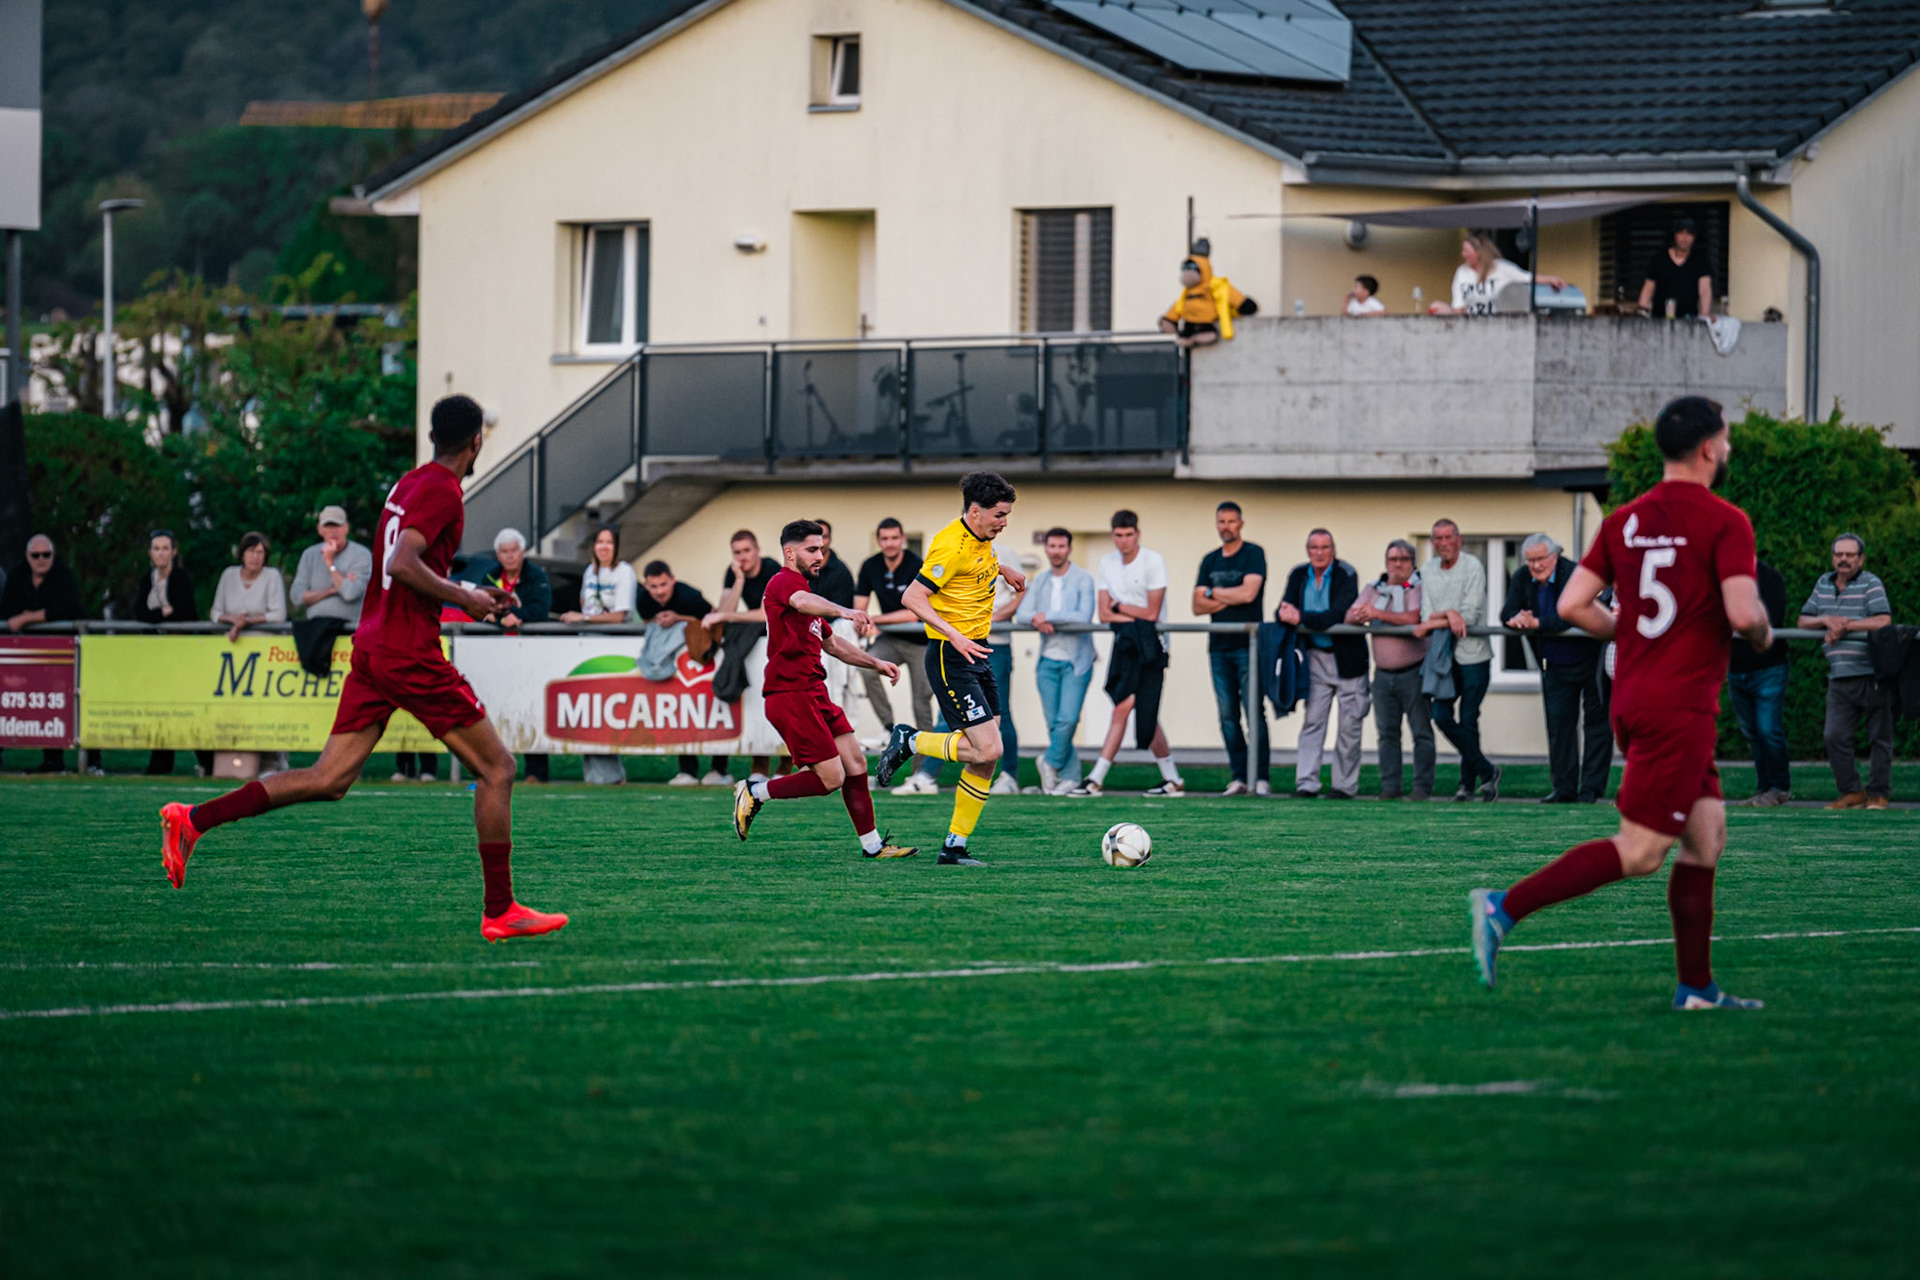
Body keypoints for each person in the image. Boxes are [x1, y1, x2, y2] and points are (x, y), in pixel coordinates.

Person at [159, 394, 569, 942]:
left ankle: (192, 820)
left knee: (329, 779)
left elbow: (404, 560)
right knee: (498, 769)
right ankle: (500, 909)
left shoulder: (408, 482)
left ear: (431, 437)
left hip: (373, 645)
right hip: (407, 652)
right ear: (476, 442)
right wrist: (463, 599)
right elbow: (403, 564)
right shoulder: (445, 490)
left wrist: (467, 592)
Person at [1470, 394, 1772, 1010]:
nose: (1729, 448)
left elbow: (1571, 606)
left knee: (1705, 836)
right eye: (1727, 439)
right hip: (1678, 706)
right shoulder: (1725, 521)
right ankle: (1504, 907)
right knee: (1640, 852)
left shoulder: (1625, 521)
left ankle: (1696, 989)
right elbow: (1744, 614)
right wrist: (1765, 632)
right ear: (1710, 447)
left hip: (1634, 696)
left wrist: (1630, 630)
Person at [729, 520, 917, 860]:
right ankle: (755, 791)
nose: (820, 556)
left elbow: (833, 645)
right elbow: (802, 602)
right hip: (790, 694)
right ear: (790, 552)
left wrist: (875, 663)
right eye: (812, 549)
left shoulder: (805, 594)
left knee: (857, 764)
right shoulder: (785, 583)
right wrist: (846, 609)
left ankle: (873, 846)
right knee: (831, 779)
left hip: (814, 692)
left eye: (822, 549)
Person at [873, 471, 1027, 865]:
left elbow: (976, 567)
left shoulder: (981, 539)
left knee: (987, 757)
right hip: (950, 655)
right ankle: (910, 741)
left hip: (978, 652)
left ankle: (954, 846)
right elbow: (913, 596)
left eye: (1007, 514)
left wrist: (1002, 570)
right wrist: (953, 635)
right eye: (999, 515)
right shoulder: (951, 546)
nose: (1004, 521)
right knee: (987, 747)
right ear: (975, 512)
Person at [1070, 510, 1182, 798]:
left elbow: (1152, 613)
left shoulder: (1153, 561)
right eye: (1118, 535)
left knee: (1136, 708)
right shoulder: (1108, 562)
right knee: (1131, 707)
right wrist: (1128, 613)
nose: (1123, 540)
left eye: (1128, 534)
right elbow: (1104, 612)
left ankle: (1096, 779)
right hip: (1125, 643)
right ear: (1113, 536)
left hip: (1152, 644)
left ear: (1137, 534)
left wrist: (1121, 608)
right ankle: (1172, 779)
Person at [1502, 533, 1611, 803]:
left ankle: (1590, 789)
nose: (1536, 566)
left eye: (1540, 559)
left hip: (1589, 660)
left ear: (1555, 555)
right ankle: (1563, 788)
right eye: (1530, 561)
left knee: (1597, 726)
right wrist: (1517, 619)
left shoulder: (1574, 573)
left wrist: (1537, 623)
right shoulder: (1521, 577)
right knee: (1559, 727)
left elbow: (1573, 613)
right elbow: (1506, 612)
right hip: (1552, 664)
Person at [1798, 533, 1894, 810]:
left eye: (1850, 555)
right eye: (1839, 554)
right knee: (1833, 736)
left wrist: (1845, 626)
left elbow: (1883, 620)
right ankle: (1852, 792)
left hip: (1872, 673)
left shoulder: (1870, 583)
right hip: (1839, 676)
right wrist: (1825, 619)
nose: (1843, 559)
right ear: (1832, 558)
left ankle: (1878, 795)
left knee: (1880, 738)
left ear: (1860, 559)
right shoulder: (1823, 583)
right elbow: (1803, 621)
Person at [1279, 530, 1369, 800]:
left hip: (1348, 659)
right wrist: (1294, 616)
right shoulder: (1298, 574)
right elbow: (1283, 611)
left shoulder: (1346, 574)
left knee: (1349, 726)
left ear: (1333, 549)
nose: (1319, 552)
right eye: (1314, 547)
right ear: (1308, 550)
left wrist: (1301, 617)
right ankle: (1306, 783)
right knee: (1313, 722)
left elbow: (1338, 614)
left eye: (1324, 547)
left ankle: (1344, 786)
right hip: (1315, 656)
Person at [459, 527, 553, 783]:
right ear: (498, 555)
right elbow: (475, 605)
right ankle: (490, 769)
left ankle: (536, 771)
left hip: (530, 654)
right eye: (504, 551)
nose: (510, 556)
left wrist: (519, 617)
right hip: (496, 655)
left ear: (522, 552)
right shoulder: (489, 577)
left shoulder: (536, 576)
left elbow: (541, 608)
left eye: (514, 550)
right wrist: (488, 615)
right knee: (494, 710)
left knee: (532, 709)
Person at [1416, 519, 1499, 801]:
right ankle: (1487, 771)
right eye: (1437, 538)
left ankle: (1466, 785)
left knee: (1468, 719)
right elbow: (1426, 614)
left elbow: (1471, 615)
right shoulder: (1427, 569)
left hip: (1474, 655)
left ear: (1458, 539)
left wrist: (1449, 614)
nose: (1442, 543)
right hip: (1442, 656)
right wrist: (1450, 614)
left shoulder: (1472, 566)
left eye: (1447, 537)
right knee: (1440, 715)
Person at [1193, 502, 1269, 795]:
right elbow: (1197, 605)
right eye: (1221, 521)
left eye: (1231, 521)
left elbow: (1250, 594)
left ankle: (1260, 777)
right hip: (1218, 648)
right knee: (1227, 716)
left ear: (1241, 523)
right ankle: (1239, 776)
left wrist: (1212, 593)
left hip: (1248, 647)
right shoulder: (1210, 560)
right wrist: (1229, 596)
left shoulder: (1253, 554)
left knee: (1254, 713)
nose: (1226, 526)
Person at [1348, 540, 1433, 800]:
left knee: (1421, 732)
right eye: (1393, 559)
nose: (1398, 564)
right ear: (1386, 563)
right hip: (1383, 675)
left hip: (1414, 672)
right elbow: (1350, 616)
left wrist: (1376, 613)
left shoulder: (1419, 587)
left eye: (1404, 559)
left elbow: (1413, 617)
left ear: (1413, 563)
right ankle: (1390, 787)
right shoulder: (1375, 589)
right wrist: (1362, 613)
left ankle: (1422, 788)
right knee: (1386, 734)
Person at [855, 517, 938, 787]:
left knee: (921, 704)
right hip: (890, 640)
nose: (890, 543)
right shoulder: (870, 566)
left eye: (894, 538)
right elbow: (859, 609)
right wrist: (862, 623)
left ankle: (920, 776)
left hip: (920, 642)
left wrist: (874, 620)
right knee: (865, 667)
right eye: (885, 538)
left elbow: (915, 613)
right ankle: (890, 728)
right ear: (878, 541)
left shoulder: (916, 563)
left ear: (902, 539)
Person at [1017, 527, 1096, 795]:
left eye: (1061, 546)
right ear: (1046, 549)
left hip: (1077, 661)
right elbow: (1022, 614)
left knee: (1068, 720)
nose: (1056, 551)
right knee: (1054, 724)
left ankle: (1048, 762)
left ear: (1069, 549)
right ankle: (1069, 778)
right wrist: (1038, 618)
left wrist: (1047, 615)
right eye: (1052, 546)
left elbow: (1083, 616)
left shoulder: (1083, 579)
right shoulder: (1039, 581)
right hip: (1047, 661)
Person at [701, 530, 784, 783]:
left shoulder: (772, 568)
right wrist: (738, 580)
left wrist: (725, 616)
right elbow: (726, 611)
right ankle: (756, 768)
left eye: (747, 551)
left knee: (783, 704)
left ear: (757, 550)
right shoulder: (734, 572)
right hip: (755, 643)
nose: (742, 557)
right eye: (737, 552)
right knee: (758, 706)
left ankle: (786, 766)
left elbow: (765, 614)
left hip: (781, 637)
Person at [129, 529, 209, 777]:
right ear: (150, 553)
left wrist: (164, 617)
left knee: (187, 707)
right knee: (160, 707)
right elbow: (140, 613)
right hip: (157, 656)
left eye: (165, 548)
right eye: (156, 548)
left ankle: (208, 760)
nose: (160, 553)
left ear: (174, 551)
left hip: (181, 654)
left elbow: (186, 612)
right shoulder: (147, 579)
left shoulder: (181, 577)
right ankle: (160, 762)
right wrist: (163, 614)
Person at [4, 534, 83, 773]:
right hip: (26, 654)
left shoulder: (63, 574)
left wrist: (28, 617)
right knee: (13, 701)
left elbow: (65, 607)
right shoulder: (17, 575)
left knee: (59, 704)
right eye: (35, 555)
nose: (41, 559)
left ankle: (57, 759)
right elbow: (7, 609)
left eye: (46, 554)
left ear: (53, 555)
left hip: (61, 655)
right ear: (27, 557)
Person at [635, 560, 719, 786]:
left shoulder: (689, 596)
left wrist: (679, 618)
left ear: (672, 580)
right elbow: (647, 621)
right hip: (674, 666)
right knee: (682, 713)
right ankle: (688, 771)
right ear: (646, 586)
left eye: (663, 585)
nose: (659, 591)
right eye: (654, 587)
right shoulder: (642, 599)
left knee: (714, 710)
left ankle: (719, 770)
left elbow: (714, 619)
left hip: (703, 659)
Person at [1727, 559, 1792, 806]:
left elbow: (1768, 619)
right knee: (1753, 732)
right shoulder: (1725, 579)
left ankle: (1779, 787)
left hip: (1768, 667)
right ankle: (1764, 788)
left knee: (1768, 729)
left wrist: (1736, 620)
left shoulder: (1770, 577)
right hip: (1736, 668)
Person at [1428, 230, 1566, 316]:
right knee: (1436, 306)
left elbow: (1527, 277)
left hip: (1497, 322)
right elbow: (1458, 308)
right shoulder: (1462, 272)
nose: (1463, 254)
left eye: (1467, 251)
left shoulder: (1501, 268)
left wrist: (1550, 279)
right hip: (1469, 322)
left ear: (1479, 252)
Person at [1157, 244, 1257, 348]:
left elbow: (1231, 295)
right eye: (1184, 269)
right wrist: (1169, 320)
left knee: (1205, 330)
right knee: (1186, 329)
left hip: (1206, 322)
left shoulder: (1214, 286)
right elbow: (1177, 307)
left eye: (1191, 268)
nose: (1186, 273)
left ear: (1203, 270)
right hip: (1189, 322)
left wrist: (1243, 304)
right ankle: (1186, 338)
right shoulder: (1186, 293)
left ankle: (1198, 337)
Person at [291, 506, 373, 623]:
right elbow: (297, 597)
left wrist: (330, 564)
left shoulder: (362, 554)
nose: (333, 531)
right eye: (328, 526)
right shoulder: (309, 555)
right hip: (315, 626)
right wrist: (332, 590)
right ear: (320, 529)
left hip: (350, 627)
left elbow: (350, 593)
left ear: (346, 528)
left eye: (338, 525)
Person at [210, 532, 288, 643]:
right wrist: (233, 619)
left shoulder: (272, 576)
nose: (255, 557)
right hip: (232, 645)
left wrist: (248, 621)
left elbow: (279, 615)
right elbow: (215, 613)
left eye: (260, 552)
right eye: (251, 551)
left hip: (264, 644)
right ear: (242, 555)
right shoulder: (228, 575)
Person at [1636, 216, 1714, 319]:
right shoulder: (1659, 258)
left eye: (1689, 234)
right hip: (1660, 320)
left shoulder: (1701, 260)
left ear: (1694, 237)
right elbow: (1648, 287)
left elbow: (1705, 289)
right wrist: (1642, 310)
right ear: (1674, 235)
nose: (1684, 238)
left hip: (1688, 320)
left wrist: (1705, 313)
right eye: (1681, 233)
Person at [562, 526, 635, 625]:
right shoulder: (590, 571)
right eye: (600, 542)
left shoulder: (625, 571)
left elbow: (619, 617)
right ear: (594, 546)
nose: (604, 547)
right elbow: (584, 601)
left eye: (609, 542)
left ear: (616, 547)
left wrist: (585, 617)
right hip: (589, 632)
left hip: (614, 636)